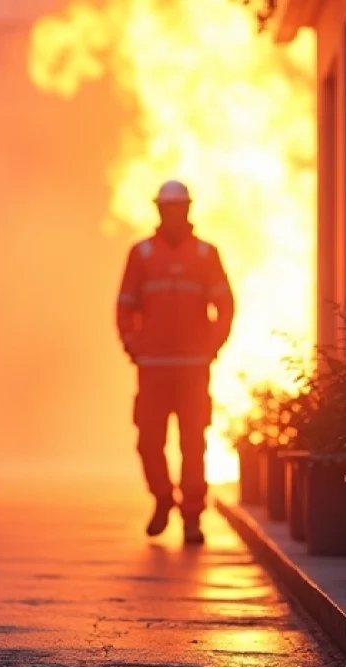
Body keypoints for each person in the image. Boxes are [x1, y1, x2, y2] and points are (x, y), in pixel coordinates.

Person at [116, 180, 234, 545]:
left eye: (177, 207)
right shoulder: (142, 254)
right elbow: (124, 306)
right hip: (152, 368)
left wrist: (211, 347)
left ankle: (192, 517)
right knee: (149, 442)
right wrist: (133, 346)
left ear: (187, 210)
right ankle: (163, 498)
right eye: (167, 208)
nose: (172, 214)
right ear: (159, 210)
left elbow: (225, 307)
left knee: (193, 443)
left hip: (192, 369)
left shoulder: (205, 255)